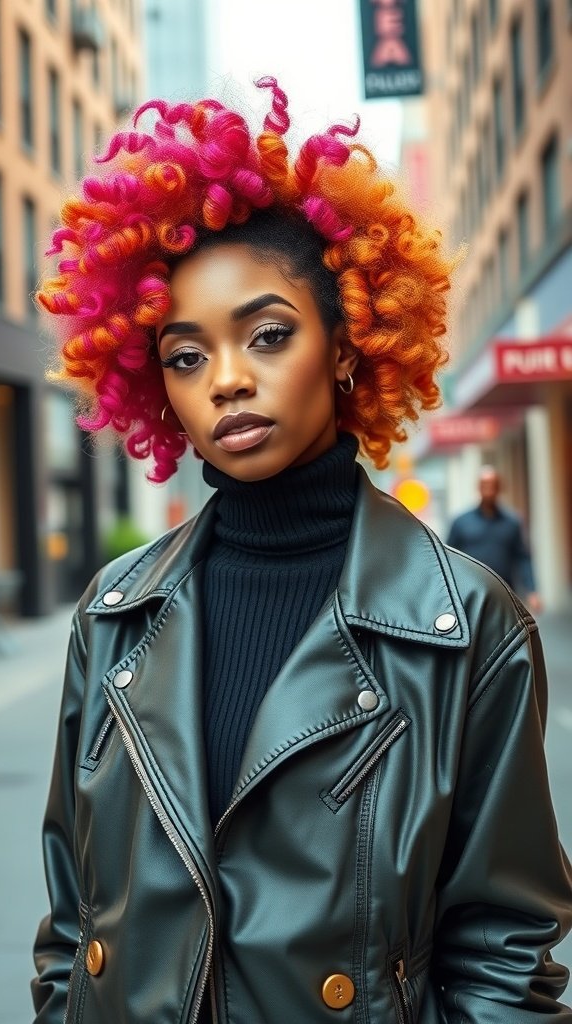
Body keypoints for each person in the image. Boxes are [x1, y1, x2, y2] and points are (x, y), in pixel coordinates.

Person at [31, 78, 572, 1024]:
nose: (228, 381)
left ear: (350, 343)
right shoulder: (113, 614)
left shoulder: (468, 622)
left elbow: (504, 958)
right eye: (186, 355)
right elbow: (74, 932)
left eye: (268, 335)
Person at [447, 465, 543, 614]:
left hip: (505, 594)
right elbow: (449, 559)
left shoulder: (512, 522)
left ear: (499, 488)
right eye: (484, 485)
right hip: (469, 595)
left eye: (492, 485)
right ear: (478, 488)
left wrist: (532, 591)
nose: (489, 490)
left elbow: (523, 557)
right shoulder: (461, 522)